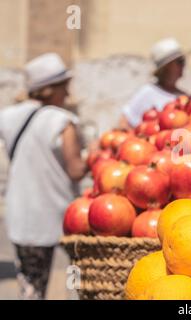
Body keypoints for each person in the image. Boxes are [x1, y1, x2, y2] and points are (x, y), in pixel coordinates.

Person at [0, 53, 88, 299]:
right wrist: (94, 158)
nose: (68, 91)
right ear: (51, 89)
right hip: (58, 214)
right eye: (64, 85)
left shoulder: (8, 116)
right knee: (77, 281)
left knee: (31, 288)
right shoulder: (63, 121)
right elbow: (76, 170)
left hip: (22, 214)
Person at [119, 37, 190, 129]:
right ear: (166, 67)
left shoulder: (184, 96)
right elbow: (124, 122)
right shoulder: (148, 92)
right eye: (180, 62)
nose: (183, 65)